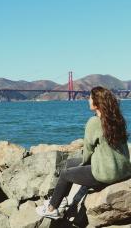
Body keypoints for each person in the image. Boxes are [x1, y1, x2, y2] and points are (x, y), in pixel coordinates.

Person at [36, 86, 131, 219]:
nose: (88, 100)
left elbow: (87, 152)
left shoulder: (94, 122)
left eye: (90, 98)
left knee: (65, 174)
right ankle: (61, 198)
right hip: (123, 170)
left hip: (106, 174)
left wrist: (82, 165)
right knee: (69, 163)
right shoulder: (117, 120)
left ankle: (51, 209)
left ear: (97, 102)